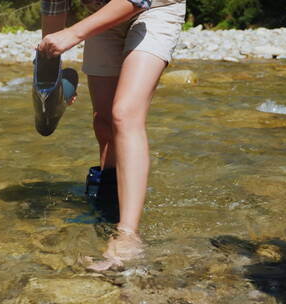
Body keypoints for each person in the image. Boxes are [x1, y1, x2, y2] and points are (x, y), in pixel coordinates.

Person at [37, 0, 186, 271]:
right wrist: (51, 80)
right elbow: (53, 17)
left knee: (124, 113)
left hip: (156, 8)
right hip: (104, 16)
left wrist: (73, 34)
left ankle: (128, 236)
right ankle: (107, 213)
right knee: (104, 123)